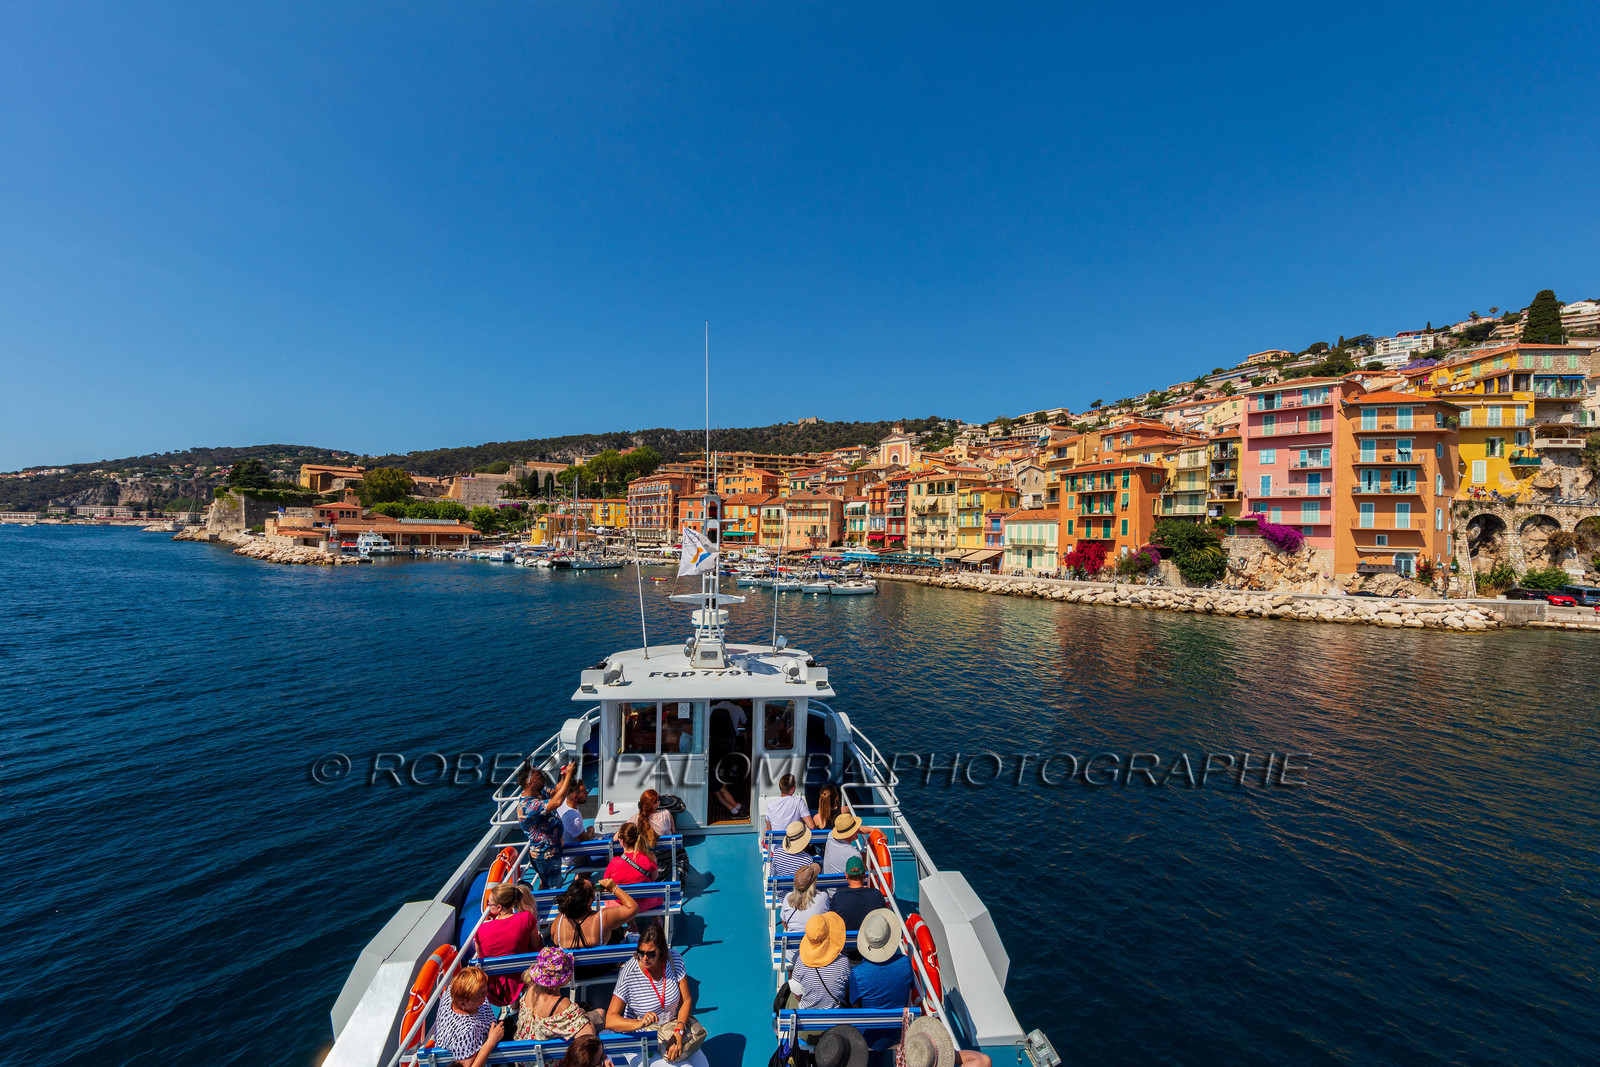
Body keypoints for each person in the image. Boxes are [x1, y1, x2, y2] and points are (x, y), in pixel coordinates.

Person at [606, 923, 708, 1066]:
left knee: (703, 1065)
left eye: (651, 953)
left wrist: (678, 1032)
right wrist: (640, 1023)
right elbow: (610, 1020)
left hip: (671, 1028)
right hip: (642, 1038)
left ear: (662, 951)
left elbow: (686, 1000)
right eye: (641, 952)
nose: (644, 958)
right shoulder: (629, 973)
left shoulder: (673, 959)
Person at [513, 947, 605, 1046]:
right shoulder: (560, 1004)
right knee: (600, 1013)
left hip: (523, 1048)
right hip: (551, 1054)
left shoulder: (532, 986)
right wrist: (584, 1015)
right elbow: (588, 1035)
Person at [475, 882, 543, 1006]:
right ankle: (527, 996)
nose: (488, 906)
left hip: (497, 986)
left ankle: (515, 1004)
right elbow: (535, 944)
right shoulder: (526, 918)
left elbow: (481, 956)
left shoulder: (481, 929)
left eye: (489, 903)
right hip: (523, 975)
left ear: (499, 907)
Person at [518, 762, 577, 889]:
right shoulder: (528, 806)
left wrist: (564, 777)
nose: (543, 778)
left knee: (545, 883)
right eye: (539, 777)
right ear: (530, 784)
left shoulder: (538, 791)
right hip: (545, 856)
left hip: (552, 851)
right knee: (554, 888)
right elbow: (557, 801)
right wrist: (569, 776)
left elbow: (556, 792)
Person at [432, 965, 504, 1067]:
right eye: (481, 995)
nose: (486, 994)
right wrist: (491, 1041)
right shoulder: (466, 1032)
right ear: (463, 1004)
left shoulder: (452, 991)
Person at [846, 909, 914, 1010]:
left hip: (869, 1020)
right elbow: (910, 990)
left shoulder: (857, 973)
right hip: (899, 1019)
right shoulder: (905, 963)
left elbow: (855, 1005)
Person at [550, 874, 640, 950]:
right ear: (590, 900)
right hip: (603, 964)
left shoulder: (559, 921)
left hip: (574, 965)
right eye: (593, 886)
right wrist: (614, 888)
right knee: (615, 928)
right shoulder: (602, 918)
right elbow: (633, 908)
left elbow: (554, 940)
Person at [828, 856, 887, 960]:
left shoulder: (838, 897)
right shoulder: (876, 895)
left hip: (847, 952)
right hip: (872, 949)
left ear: (846, 875)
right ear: (864, 875)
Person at [787, 913, 849, 1010]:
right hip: (835, 1013)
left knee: (790, 997)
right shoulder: (843, 962)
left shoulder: (801, 961)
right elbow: (847, 990)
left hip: (806, 1014)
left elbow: (796, 994)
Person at [604, 823, 664, 921]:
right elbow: (654, 877)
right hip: (646, 902)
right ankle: (657, 920)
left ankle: (631, 924)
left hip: (624, 905)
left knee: (615, 897)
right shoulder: (649, 857)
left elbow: (606, 882)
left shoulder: (614, 862)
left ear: (621, 841)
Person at [777, 863, 831, 967]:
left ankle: (792, 973)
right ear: (814, 883)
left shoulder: (787, 898)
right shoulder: (823, 897)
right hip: (816, 953)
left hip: (794, 956)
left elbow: (784, 923)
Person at [558, 779, 596, 846]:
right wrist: (590, 831)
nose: (587, 793)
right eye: (584, 793)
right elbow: (585, 839)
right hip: (573, 851)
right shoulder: (574, 819)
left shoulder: (563, 802)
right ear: (575, 797)